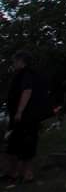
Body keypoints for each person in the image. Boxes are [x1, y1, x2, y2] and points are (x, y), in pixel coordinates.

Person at [5, 49, 44, 185]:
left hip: (26, 117)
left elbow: (27, 91)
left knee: (25, 145)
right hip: (22, 117)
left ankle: (27, 175)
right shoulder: (24, 74)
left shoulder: (26, 74)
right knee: (14, 145)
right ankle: (14, 173)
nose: (13, 64)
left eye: (15, 61)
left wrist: (19, 112)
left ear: (21, 61)